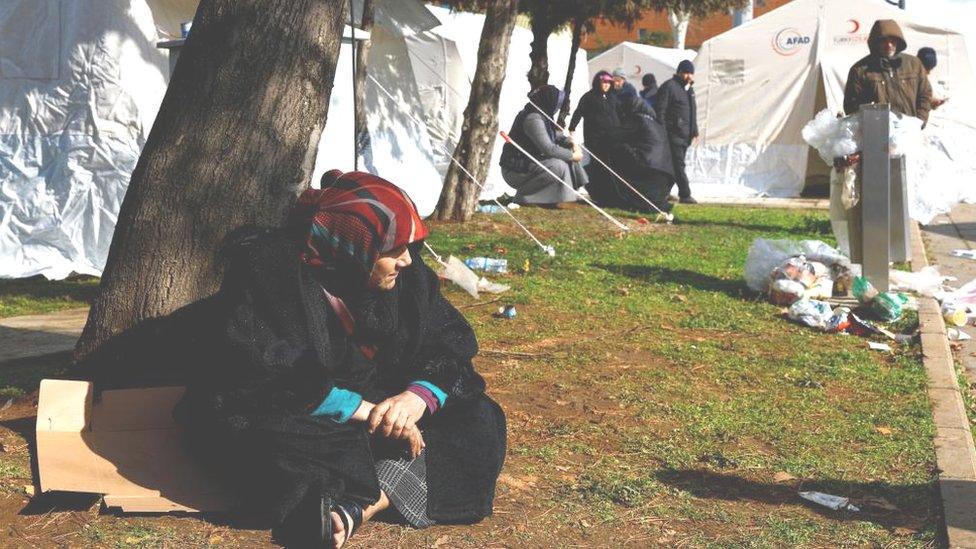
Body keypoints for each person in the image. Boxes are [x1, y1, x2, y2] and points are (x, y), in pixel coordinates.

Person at [177, 172, 506, 547]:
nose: (407, 261)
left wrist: (414, 399)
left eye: (410, 248)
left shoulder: (410, 283)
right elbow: (263, 371)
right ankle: (350, 498)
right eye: (393, 250)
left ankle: (359, 505)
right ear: (354, 247)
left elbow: (448, 346)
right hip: (308, 408)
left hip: (384, 404)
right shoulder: (272, 272)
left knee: (479, 419)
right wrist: (369, 412)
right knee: (263, 438)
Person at [500, 84, 588, 208]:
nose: (558, 107)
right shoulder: (533, 118)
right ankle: (526, 197)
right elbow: (549, 149)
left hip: (529, 164)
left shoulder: (542, 115)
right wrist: (573, 156)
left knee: (566, 154)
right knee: (559, 165)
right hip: (516, 169)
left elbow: (556, 136)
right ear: (549, 101)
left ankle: (569, 195)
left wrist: (571, 142)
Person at [843, 20, 932, 125]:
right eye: (884, 41)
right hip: (876, 133)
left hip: (908, 131)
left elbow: (925, 94)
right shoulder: (860, 70)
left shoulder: (914, 64)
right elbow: (851, 105)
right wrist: (869, 124)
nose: (889, 45)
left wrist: (919, 121)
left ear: (899, 41)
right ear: (875, 43)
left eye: (893, 40)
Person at [604, 96, 674, 213]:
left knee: (617, 148)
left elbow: (613, 136)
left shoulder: (638, 120)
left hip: (649, 169)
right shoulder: (656, 124)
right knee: (652, 202)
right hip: (666, 175)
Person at [569, 71, 620, 205]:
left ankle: (608, 194)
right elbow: (578, 112)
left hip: (611, 138)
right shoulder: (589, 97)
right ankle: (597, 192)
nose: (606, 85)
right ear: (598, 82)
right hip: (595, 139)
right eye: (604, 82)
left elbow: (618, 115)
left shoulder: (612, 97)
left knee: (610, 166)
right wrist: (572, 128)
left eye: (609, 83)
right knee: (598, 165)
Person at [655, 59, 698, 204]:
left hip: (685, 136)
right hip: (673, 135)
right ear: (679, 72)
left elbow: (692, 112)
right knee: (679, 165)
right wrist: (663, 132)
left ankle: (662, 193)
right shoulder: (669, 87)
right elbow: (660, 111)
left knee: (674, 166)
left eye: (691, 73)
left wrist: (694, 130)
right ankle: (685, 194)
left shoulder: (689, 90)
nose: (689, 76)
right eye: (686, 72)